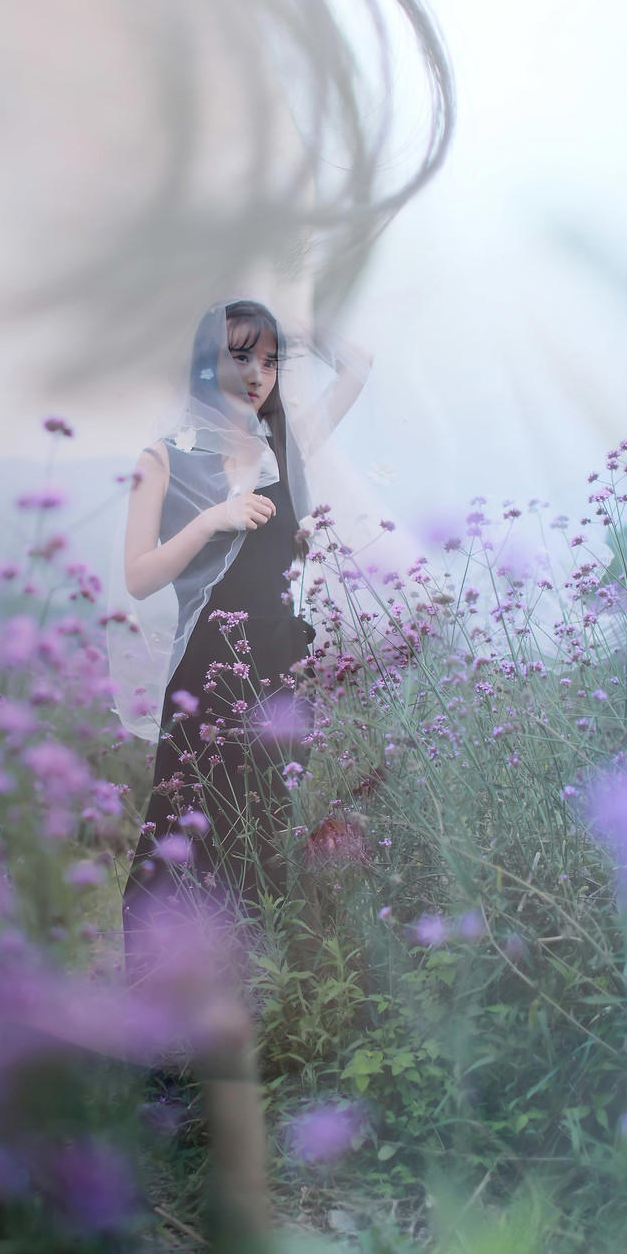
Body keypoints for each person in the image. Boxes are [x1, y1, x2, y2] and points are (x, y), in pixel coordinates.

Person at [118, 299, 369, 976]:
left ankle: (253, 997)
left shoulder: (285, 446)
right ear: (205, 363)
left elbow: (358, 366)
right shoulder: (163, 458)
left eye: (270, 359)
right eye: (239, 356)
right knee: (178, 825)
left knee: (258, 827)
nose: (258, 373)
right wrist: (213, 521)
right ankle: (154, 995)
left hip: (275, 667)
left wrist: (297, 325)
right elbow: (138, 577)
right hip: (201, 673)